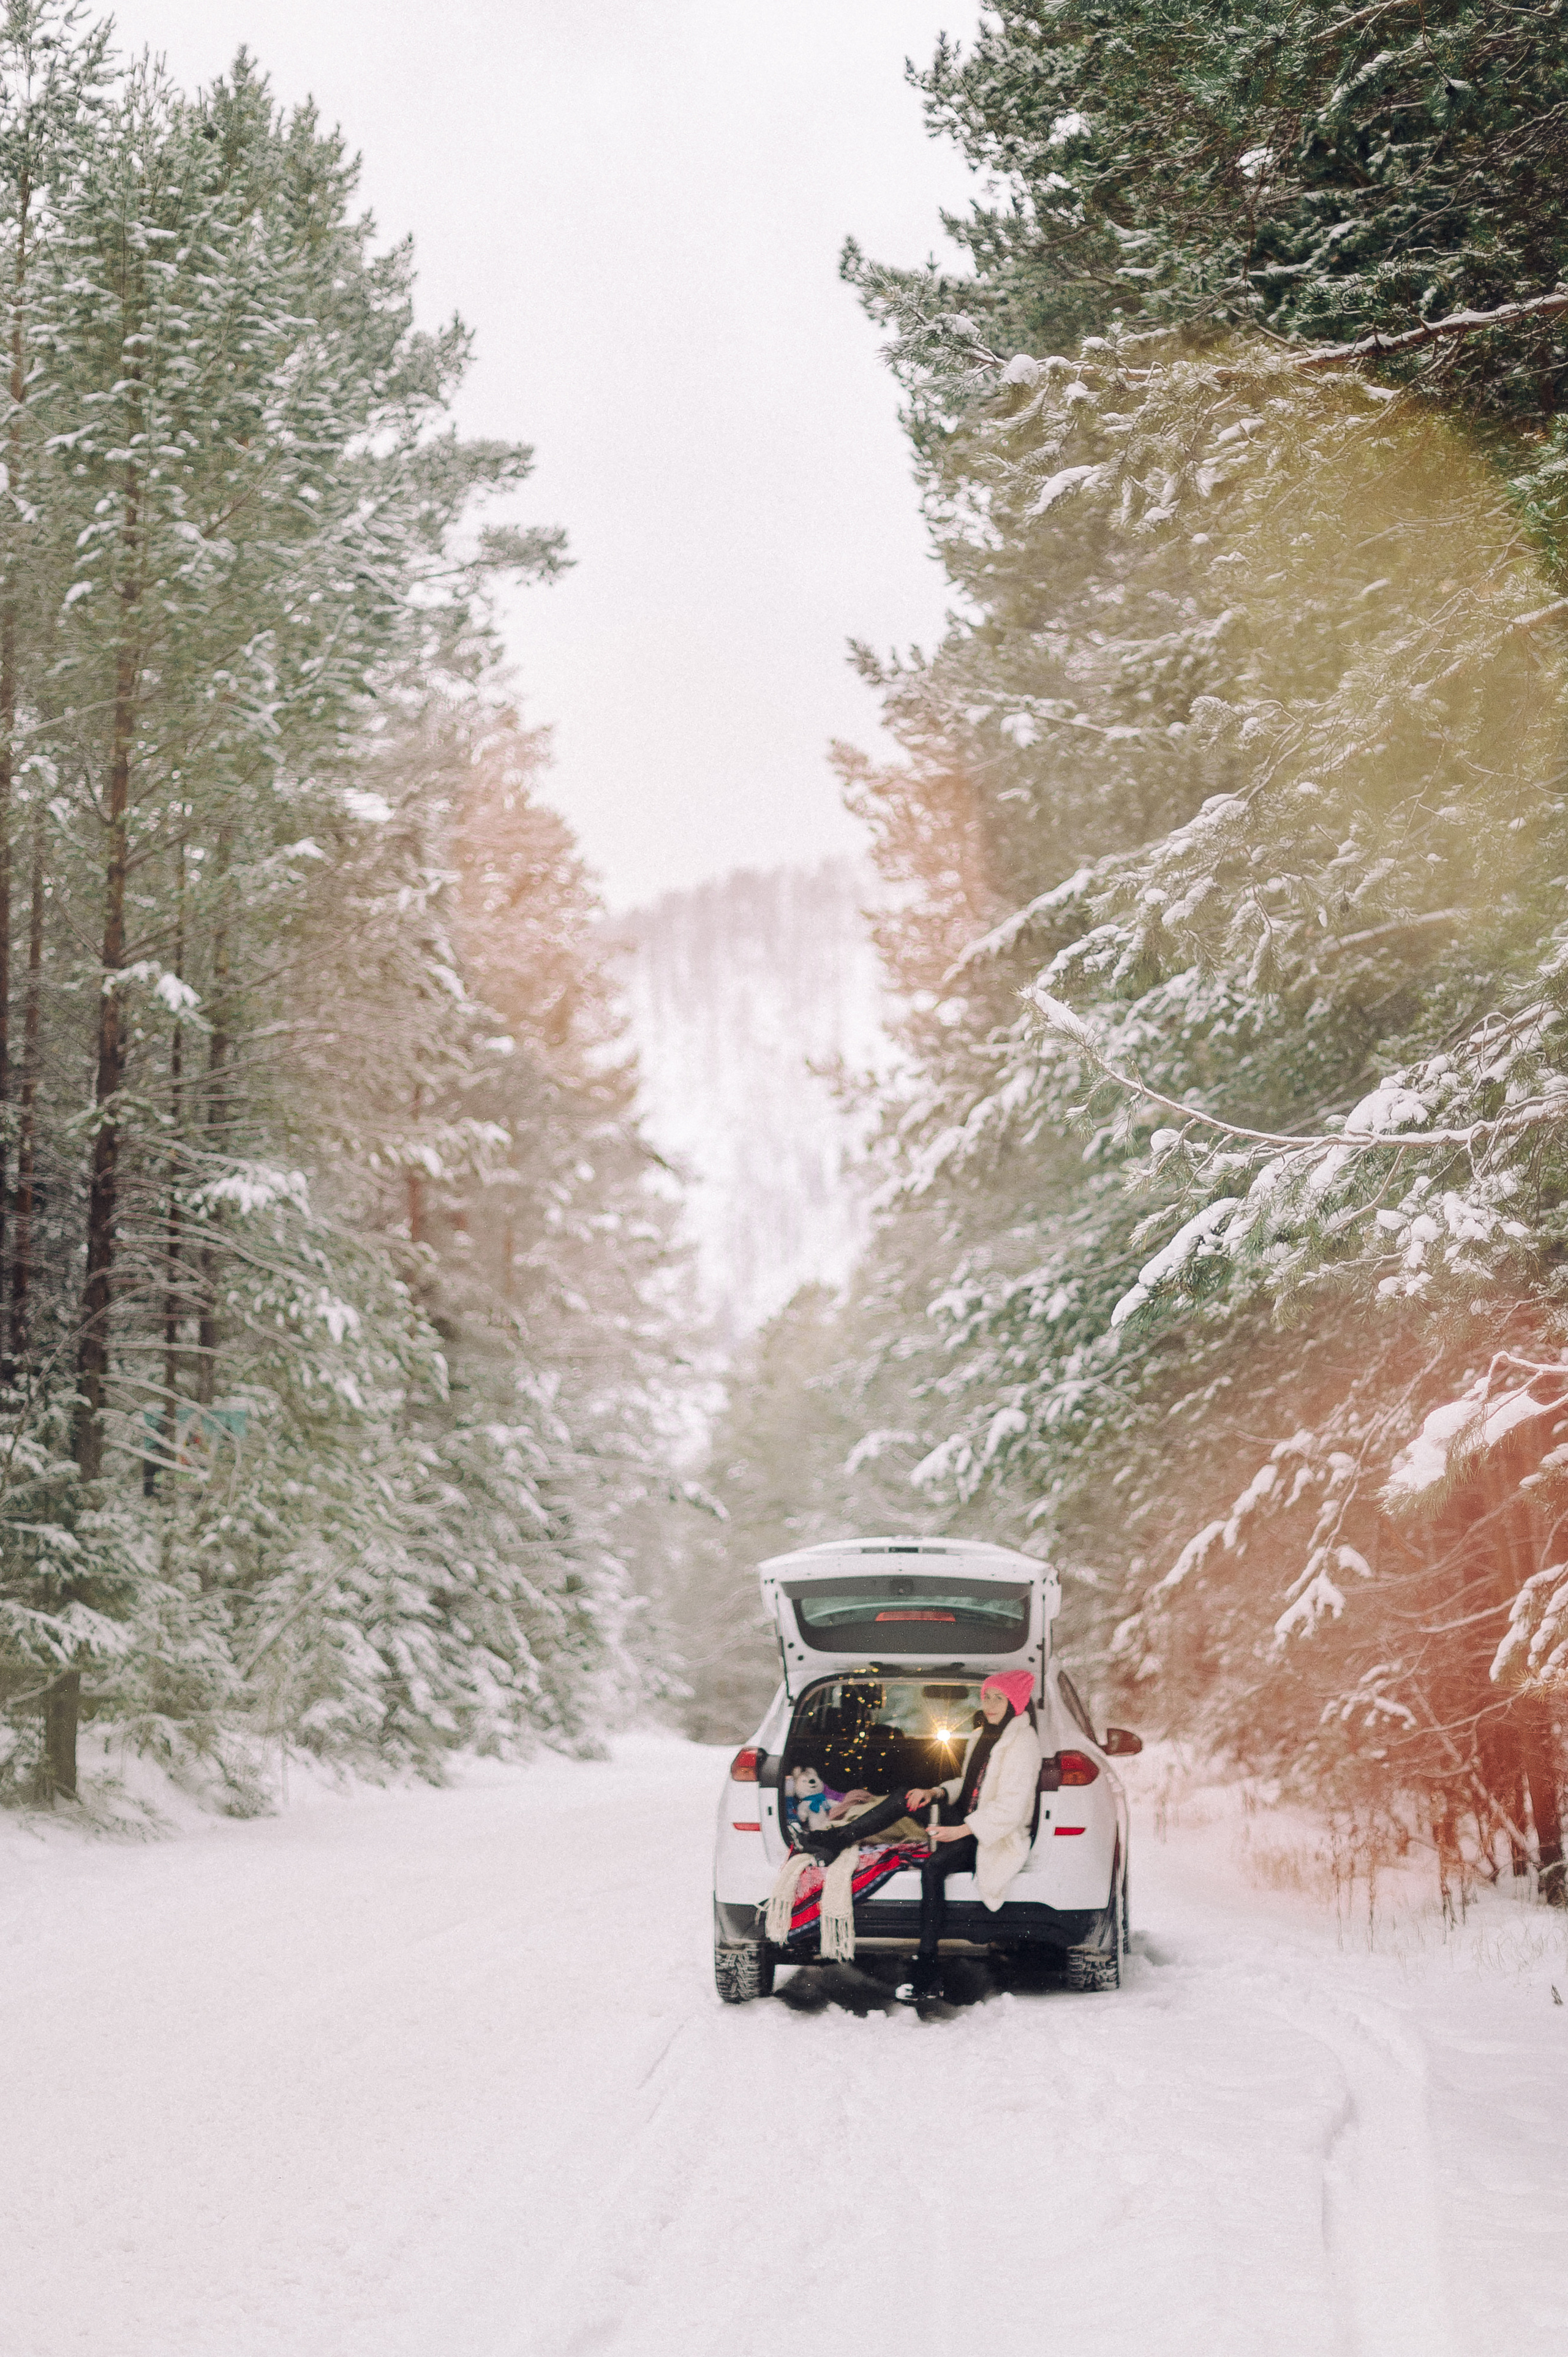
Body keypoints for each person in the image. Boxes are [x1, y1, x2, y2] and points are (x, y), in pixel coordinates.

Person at [800, 1669, 1042, 2004]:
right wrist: (935, 1791)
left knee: (933, 1868)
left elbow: (1010, 1809)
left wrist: (958, 1830)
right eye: (986, 1696)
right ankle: (837, 1838)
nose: (988, 1704)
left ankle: (926, 1968)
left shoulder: (1022, 1744)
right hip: (968, 1820)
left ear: (1015, 1702)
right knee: (906, 1796)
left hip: (991, 1835)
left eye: (998, 1698)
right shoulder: (983, 1736)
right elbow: (970, 1787)